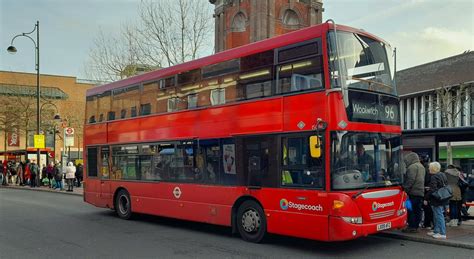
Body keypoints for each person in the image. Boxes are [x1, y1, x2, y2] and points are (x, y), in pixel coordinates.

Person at [402, 152, 425, 233]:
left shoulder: (412, 167)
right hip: (420, 192)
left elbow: (410, 180)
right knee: (417, 210)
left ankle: (411, 226)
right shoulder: (421, 166)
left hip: (412, 192)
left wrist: (405, 189)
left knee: (410, 209)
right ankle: (416, 226)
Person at [426, 162, 449, 239]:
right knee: (437, 215)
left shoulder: (434, 177)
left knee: (439, 215)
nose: (428, 168)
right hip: (442, 197)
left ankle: (442, 233)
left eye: (429, 167)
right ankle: (436, 231)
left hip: (436, 199)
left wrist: (426, 197)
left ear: (432, 168)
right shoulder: (442, 174)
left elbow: (433, 189)